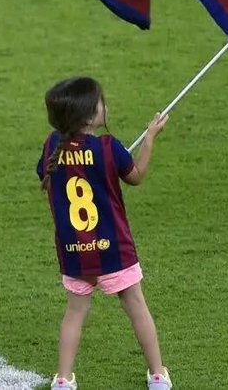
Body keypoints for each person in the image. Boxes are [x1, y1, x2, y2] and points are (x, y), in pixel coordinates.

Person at [35, 77, 172, 389]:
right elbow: (135, 177)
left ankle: (63, 379)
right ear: (87, 116)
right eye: (100, 103)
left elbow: (47, 177)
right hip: (114, 251)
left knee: (74, 313)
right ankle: (157, 375)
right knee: (136, 305)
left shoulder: (51, 147)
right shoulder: (109, 148)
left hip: (73, 251)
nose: (105, 107)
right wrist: (150, 138)